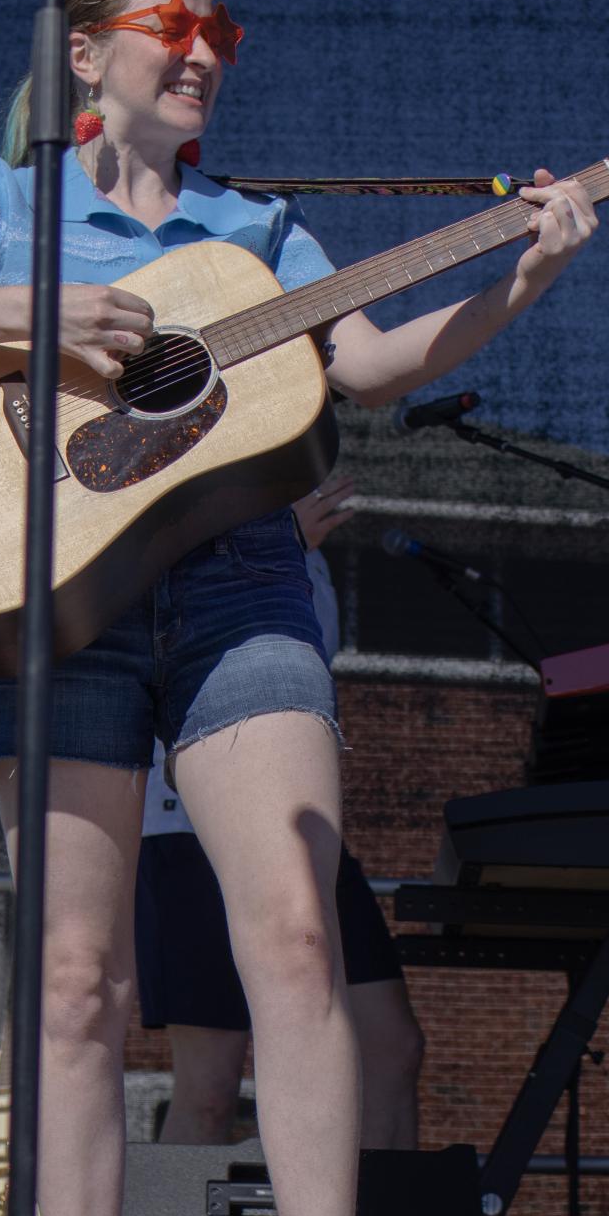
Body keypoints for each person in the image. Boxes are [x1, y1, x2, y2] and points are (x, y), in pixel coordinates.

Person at [0, 0, 598, 1216]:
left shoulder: (263, 231)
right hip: (52, 594)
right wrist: (39, 318)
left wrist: (521, 275)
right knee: (73, 981)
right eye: (173, 23)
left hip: (242, 587)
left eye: (219, 28)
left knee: (295, 933)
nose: (205, 50)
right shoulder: (1, 202)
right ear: (83, 53)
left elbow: (363, 365)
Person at [138, 476, 427, 1150]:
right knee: (210, 1088)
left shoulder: (304, 537)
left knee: (390, 1048)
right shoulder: (181, 491)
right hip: (189, 826)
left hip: (299, 821)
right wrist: (274, 541)